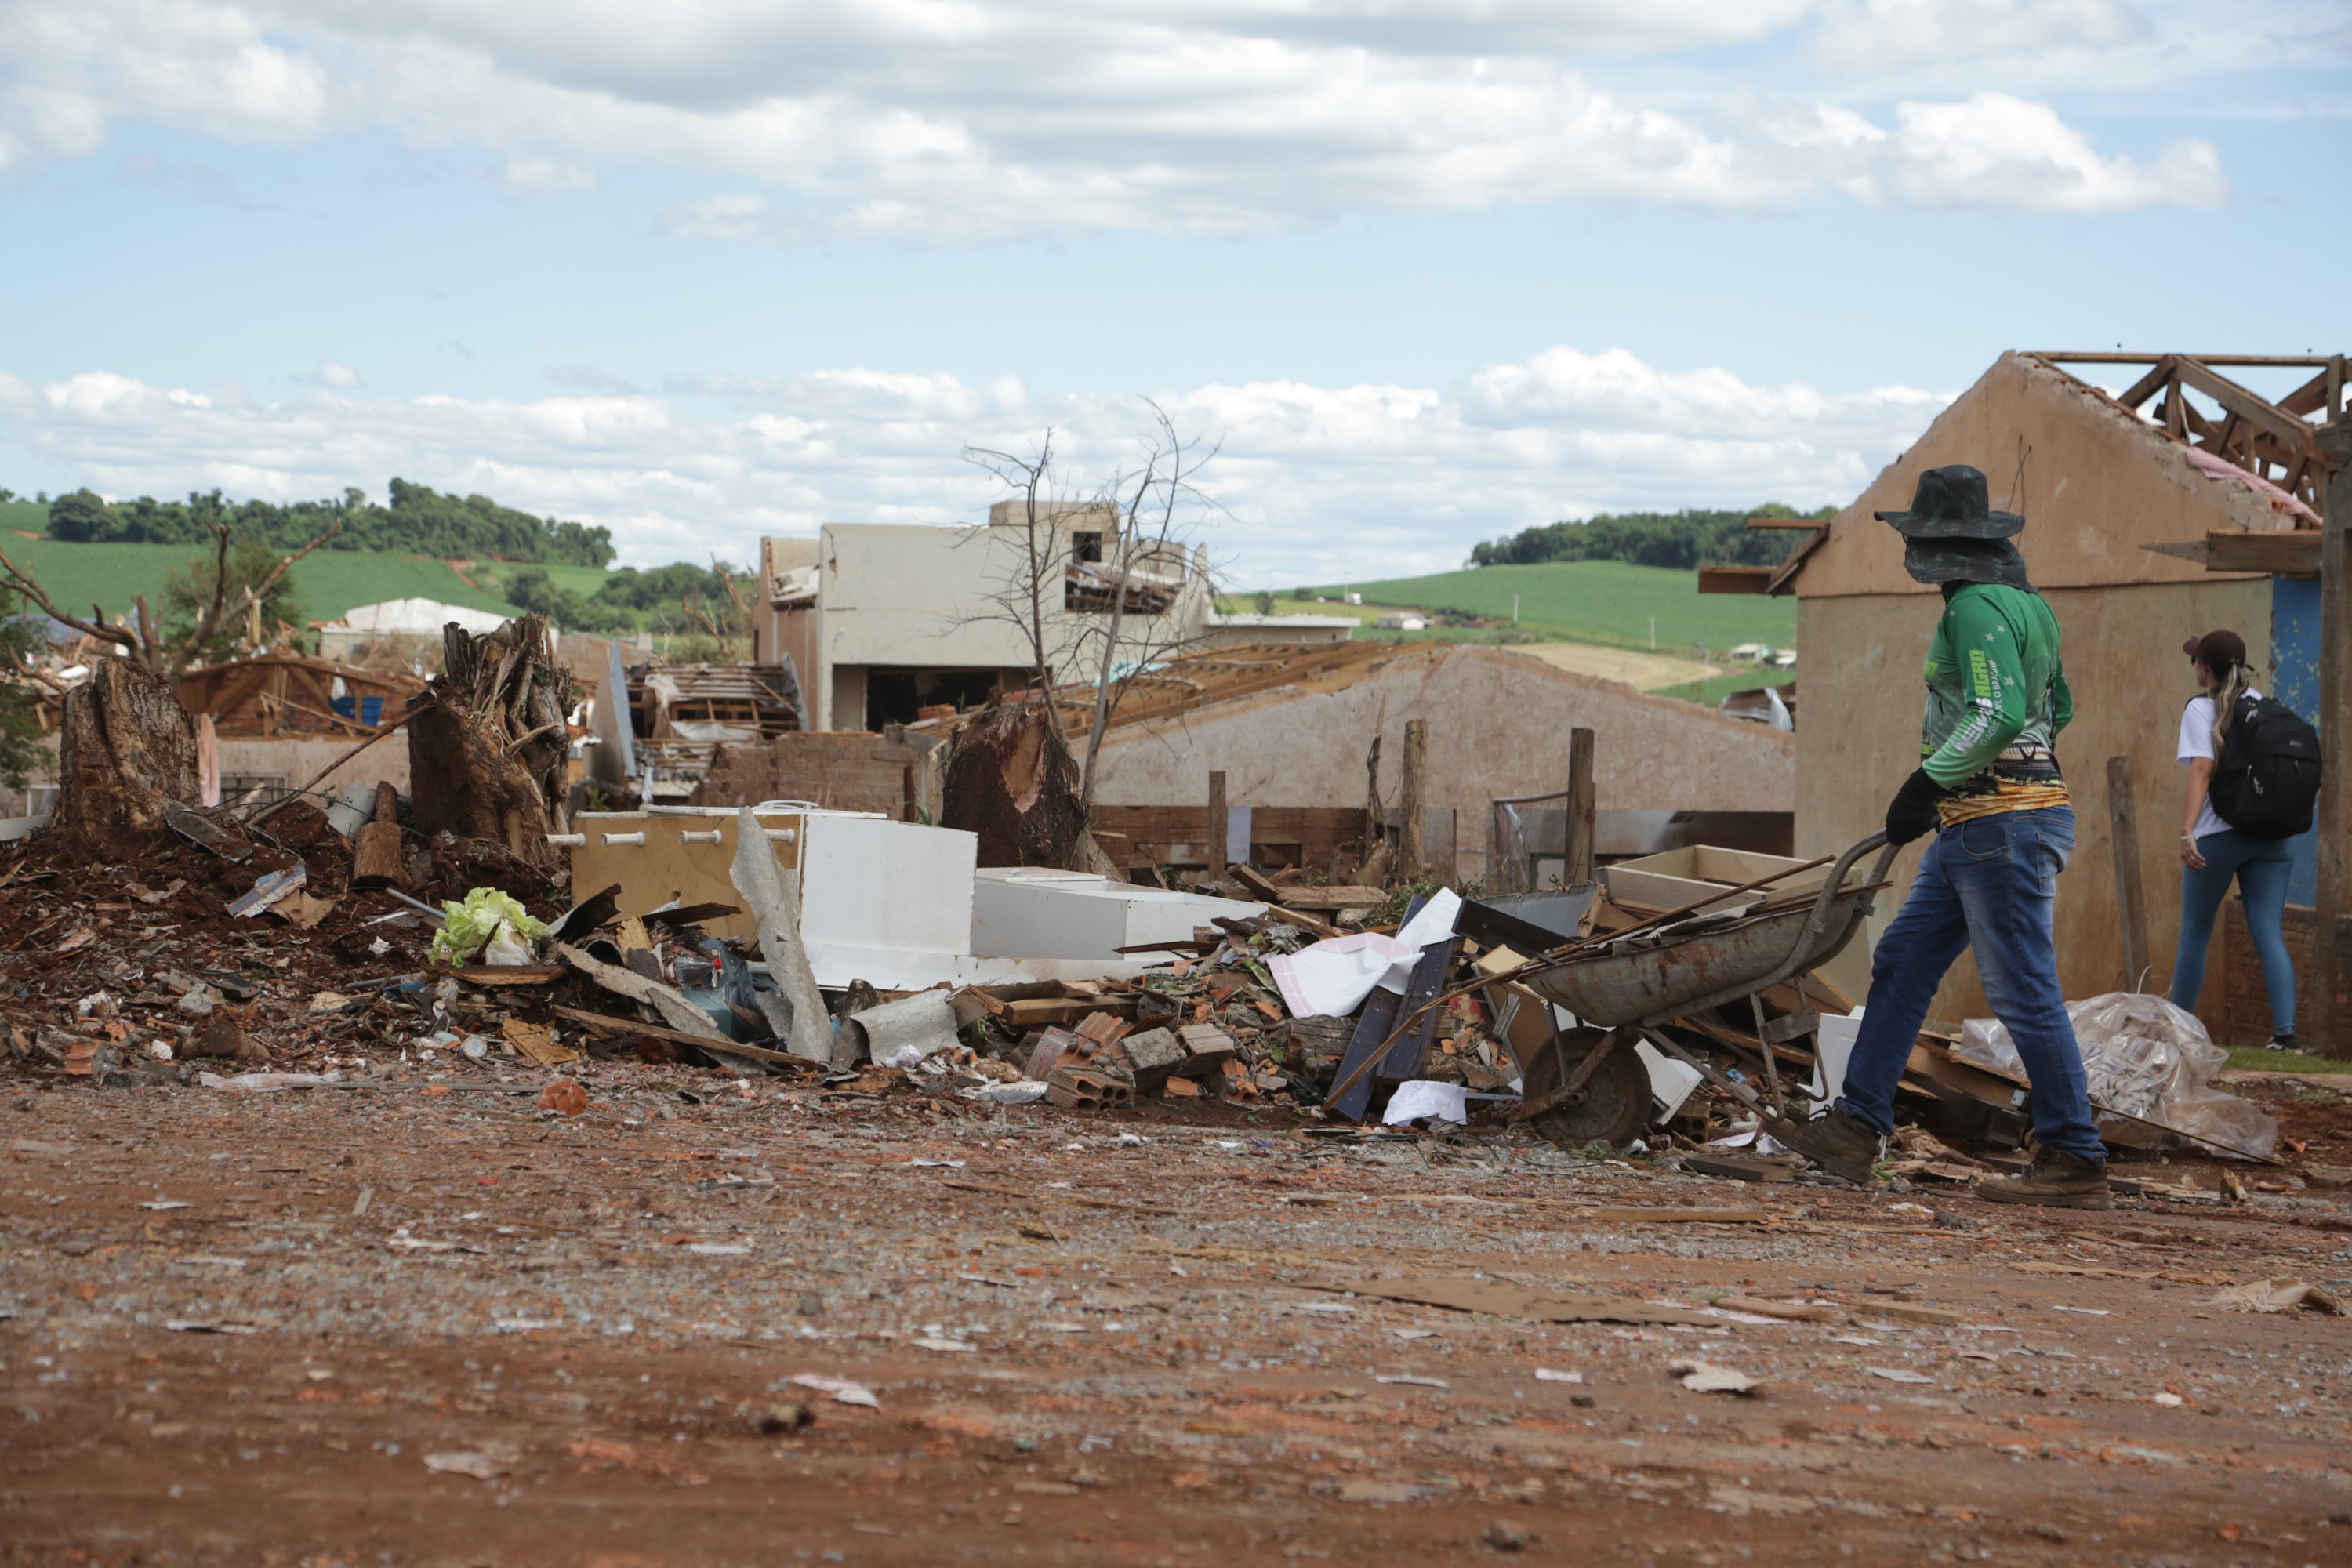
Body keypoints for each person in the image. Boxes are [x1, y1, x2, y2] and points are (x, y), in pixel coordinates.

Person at [1774, 464, 2110, 1209]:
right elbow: (2059, 711)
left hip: (2001, 826)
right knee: (1902, 960)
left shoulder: (1973, 610)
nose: (1911, 554)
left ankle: (2075, 1154)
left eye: (1916, 539)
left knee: (2023, 989)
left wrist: (1930, 781)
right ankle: (1856, 1127)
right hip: (1985, 823)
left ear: (1935, 544)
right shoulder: (2030, 607)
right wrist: (1962, 784)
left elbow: (1995, 713)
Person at [2169, 628, 2297, 1047]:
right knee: (2268, 930)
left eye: (2195, 661)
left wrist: (2188, 831)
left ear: (2205, 668)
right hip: (2273, 837)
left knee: (2196, 930)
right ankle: (2286, 1036)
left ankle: (2181, 1032)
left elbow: (2202, 771)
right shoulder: (2266, 706)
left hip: (2218, 837)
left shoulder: (2202, 709)